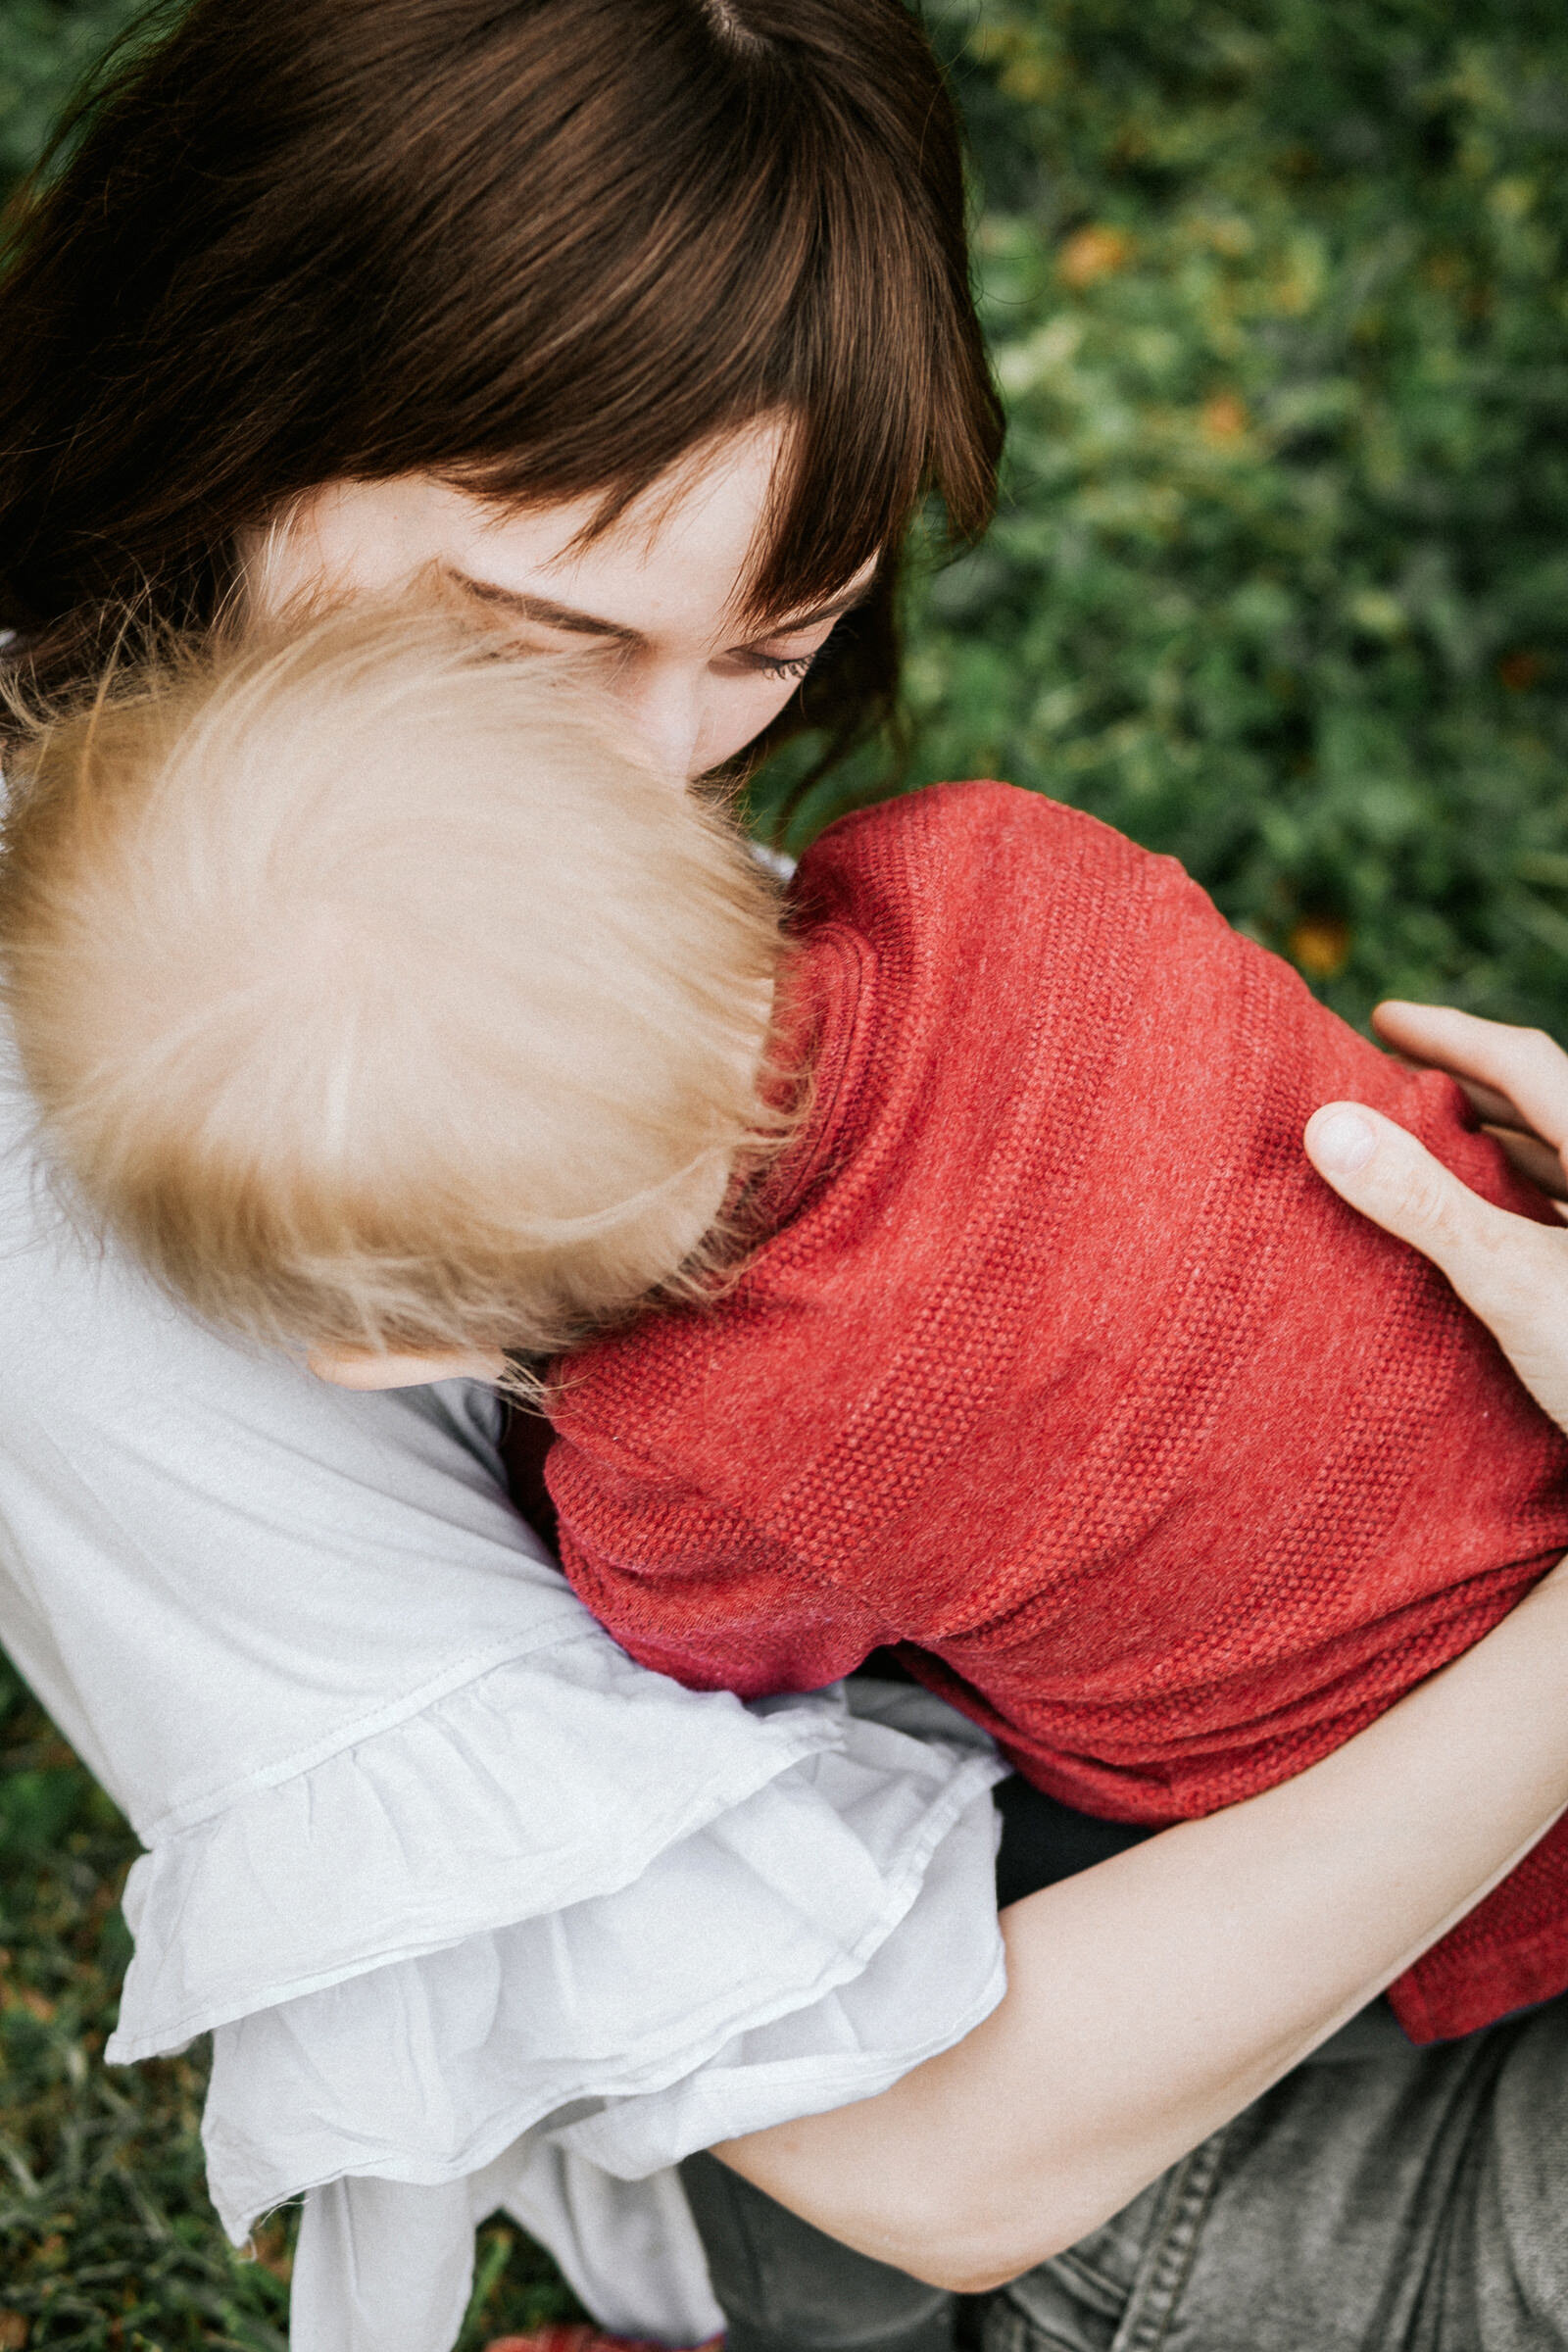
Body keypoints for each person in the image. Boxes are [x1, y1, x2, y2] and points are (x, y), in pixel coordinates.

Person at [0, 3, 1567, 2347]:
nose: (661, 796)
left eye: (773, 646)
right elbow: (925, 2163)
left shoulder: (366, 794)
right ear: (243, 401)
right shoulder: (100, 1202)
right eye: (539, 639)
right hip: (1045, 2113)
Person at [10, 598, 1568, 2061]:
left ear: (390, 1350)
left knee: (843, 1985)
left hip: (1414, 1823)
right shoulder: (981, 856)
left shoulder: (685, 1463)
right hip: (1526, 1370)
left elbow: (724, 1675)